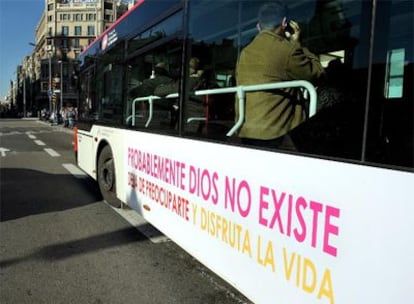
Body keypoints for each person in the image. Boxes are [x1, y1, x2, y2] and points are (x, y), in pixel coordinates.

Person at [235, 1, 325, 149]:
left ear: (258, 26)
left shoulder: (244, 53)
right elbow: (317, 74)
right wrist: (297, 44)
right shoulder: (287, 50)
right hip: (276, 136)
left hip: (246, 130)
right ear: (284, 23)